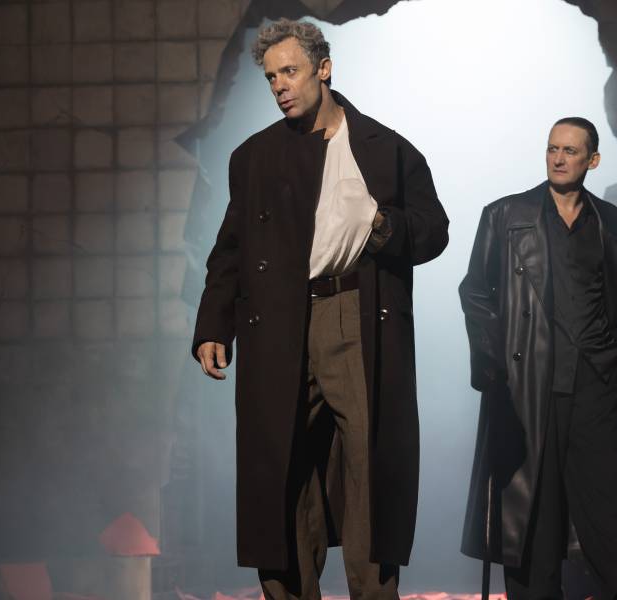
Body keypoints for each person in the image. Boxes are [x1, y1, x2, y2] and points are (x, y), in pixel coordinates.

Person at [190, 18, 449, 600]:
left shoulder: (385, 148)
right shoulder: (254, 157)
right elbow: (230, 249)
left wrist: (382, 225)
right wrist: (213, 325)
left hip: (356, 313)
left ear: (323, 69)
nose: (280, 86)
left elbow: (434, 230)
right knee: (281, 466)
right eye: (271, 77)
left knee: (368, 466)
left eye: (291, 71)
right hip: (280, 321)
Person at [458, 118, 617, 600]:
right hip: (529, 385)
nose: (558, 159)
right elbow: (475, 291)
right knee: (534, 507)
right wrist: (494, 364)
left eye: (570, 151)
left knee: (609, 499)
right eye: (552, 148)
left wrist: (609, 348)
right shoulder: (506, 215)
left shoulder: (612, 223)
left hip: (594, 382)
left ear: (592, 160)